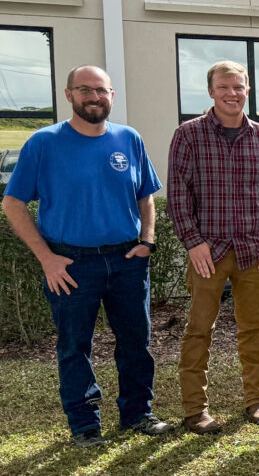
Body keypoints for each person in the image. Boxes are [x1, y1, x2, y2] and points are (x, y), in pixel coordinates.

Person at [2, 65, 171, 447]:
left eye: (101, 90)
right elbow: (12, 203)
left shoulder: (129, 138)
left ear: (111, 95)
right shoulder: (44, 143)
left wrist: (147, 241)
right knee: (74, 345)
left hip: (127, 260)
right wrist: (46, 258)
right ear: (69, 95)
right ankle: (85, 425)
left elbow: (145, 196)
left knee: (136, 342)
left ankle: (138, 414)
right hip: (70, 263)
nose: (94, 97)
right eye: (85, 89)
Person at [167, 60, 259, 434]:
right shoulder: (188, 135)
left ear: (247, 90)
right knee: (199, 330)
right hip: (208, 252)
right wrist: (193, 243)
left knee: (253, 330)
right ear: (211, 91)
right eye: (223, 87)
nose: (231, 94)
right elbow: (178, 194)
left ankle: (257, 401)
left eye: (238, 87)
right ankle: (195, 410)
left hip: (254, 252)